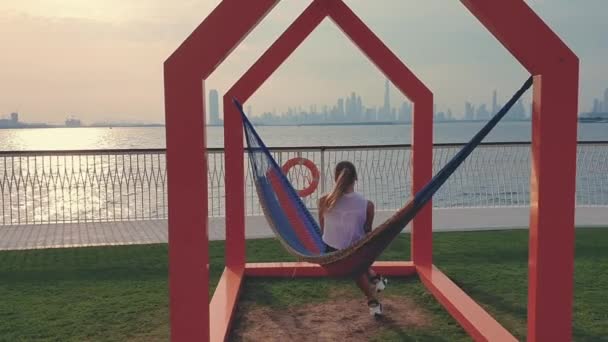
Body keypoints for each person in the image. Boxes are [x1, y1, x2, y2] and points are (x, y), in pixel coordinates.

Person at [318, 161, 388, 316]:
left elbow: (322, 229)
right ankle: (374, 295)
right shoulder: (367, 205)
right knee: (356, 260)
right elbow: (367, 232)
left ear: (335, 178)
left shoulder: (323, 200)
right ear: (355, 178)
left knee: (353, 260)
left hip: (330, 253)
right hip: (354, 254)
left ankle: (376, 284)